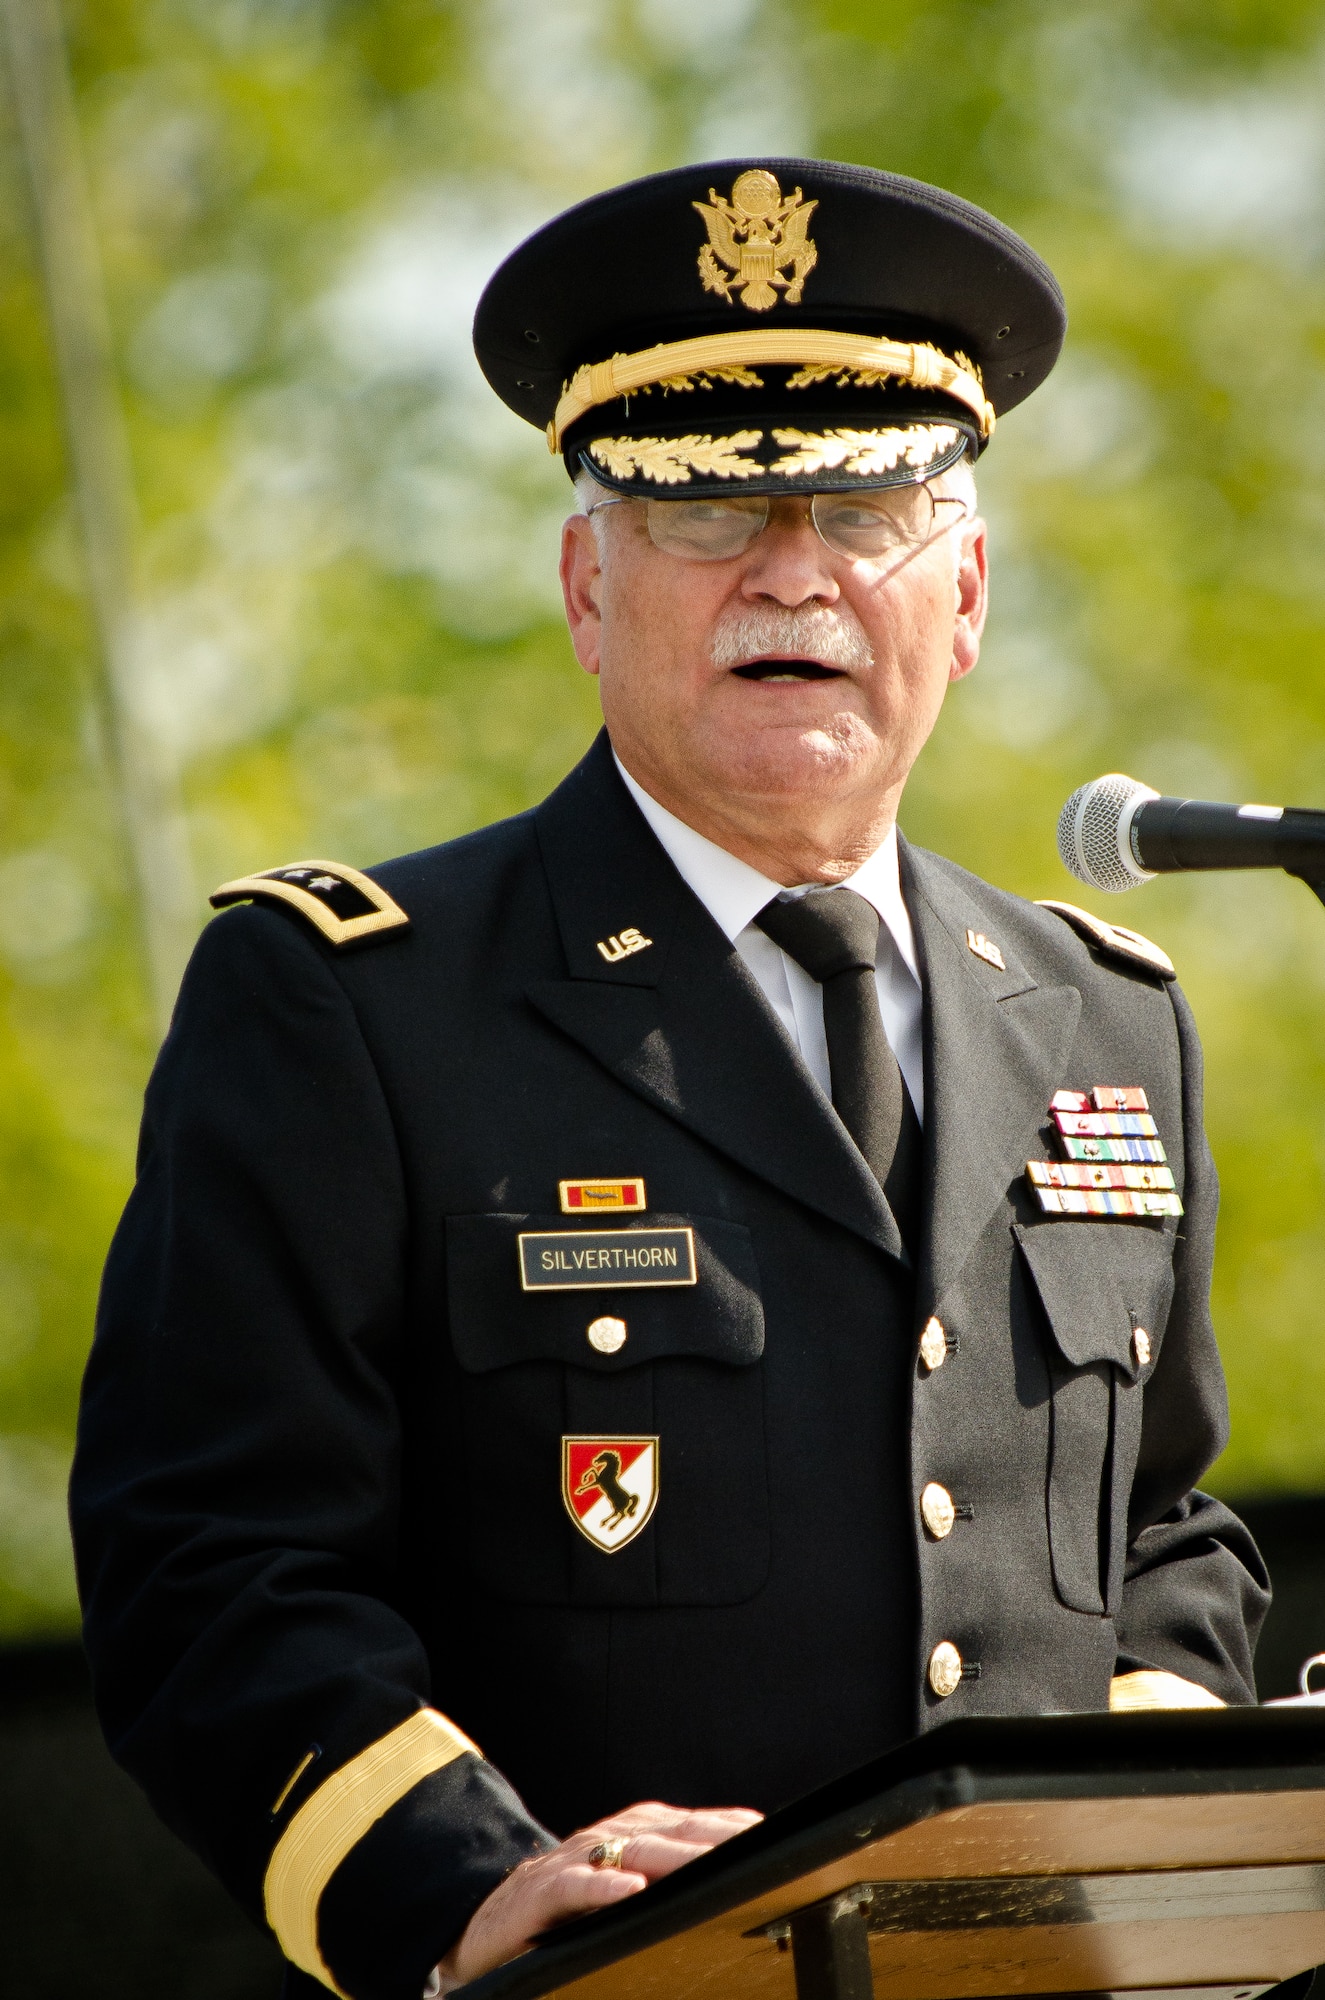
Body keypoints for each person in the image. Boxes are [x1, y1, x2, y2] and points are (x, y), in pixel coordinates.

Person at [70, 159, 1270, 2000]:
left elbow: (1157, 1528)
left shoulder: (1102, 1012)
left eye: (864, 506)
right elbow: (211, 1563)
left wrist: (1160, 1784)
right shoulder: (348, 1006)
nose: (790, 569)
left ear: (961, 594)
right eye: (707, 513)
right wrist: (461, 1883)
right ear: (584, 584)